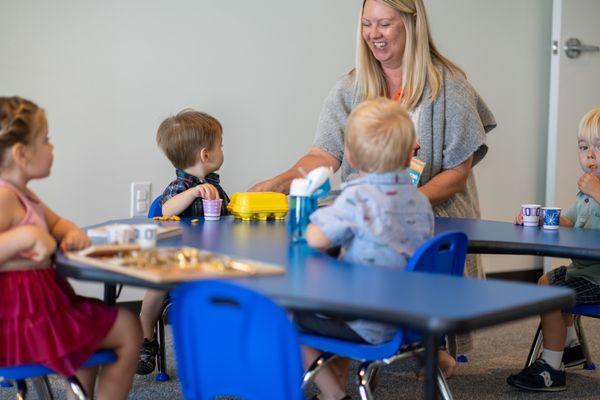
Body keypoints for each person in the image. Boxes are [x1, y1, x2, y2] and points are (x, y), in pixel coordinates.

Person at [250, 0, 496, 367]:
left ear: (412, 24)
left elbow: (456, 175)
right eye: (367, 24)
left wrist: (392, 203)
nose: (373, 35)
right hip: (369, 207)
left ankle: (402, 342)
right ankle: (366, 346)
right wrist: (282, 181)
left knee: (324, 255)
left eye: (384, 24)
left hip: (433, 211)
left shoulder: (450, 87)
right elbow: (323, 155)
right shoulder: (351, 86)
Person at [0, 96, 142, 399]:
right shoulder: (4, 197)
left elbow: (58, 222)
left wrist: (70, 233)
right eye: (46, 140)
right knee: (129, 328)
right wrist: (24, 237)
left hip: (44, 309)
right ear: (22, 153)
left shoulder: (26, 195)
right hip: (22, 322)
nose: (52, 147)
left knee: (88, 341)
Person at [295, 98, 434, 400]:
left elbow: (315, 239)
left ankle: (333, 394)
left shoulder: (358, 198)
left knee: (287, 316)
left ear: (352, 158)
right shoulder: (420, 200)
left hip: (369, 322)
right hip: (411, 321)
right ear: (411, 152)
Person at [507, 106, 600, 392]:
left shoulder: (593, 189)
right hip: (583, 270)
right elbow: (569, 221)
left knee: (551, 295)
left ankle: (550, 367)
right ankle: (569, 345)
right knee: (545, 282)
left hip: (597, 277)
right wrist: (540, 219)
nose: (590, 155)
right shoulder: (584, 192)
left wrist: (598, 191)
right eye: (584, 147)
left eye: (599, 147)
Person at [136, 109, 229, 375]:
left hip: (208, 262)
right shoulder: (181, 187)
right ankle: (146, 340)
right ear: (205, 155)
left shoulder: (214, 185)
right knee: (155, 287)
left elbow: (226, 217)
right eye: (220, 146)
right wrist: (192, 193)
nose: (223, 150)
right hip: (177, 263)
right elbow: (165, 209)